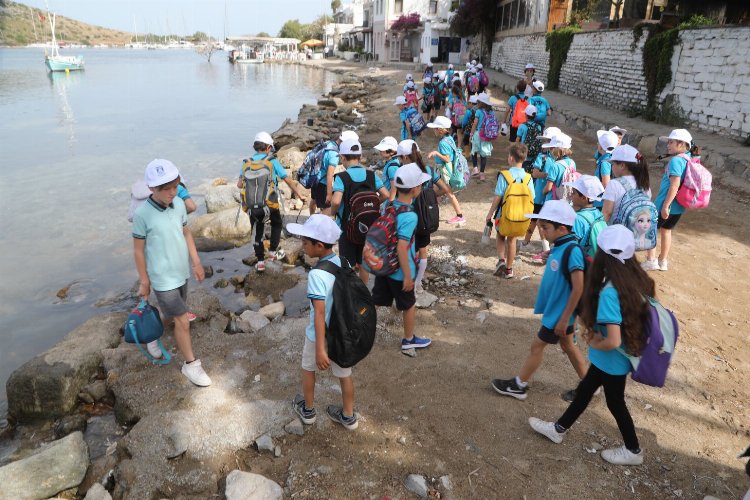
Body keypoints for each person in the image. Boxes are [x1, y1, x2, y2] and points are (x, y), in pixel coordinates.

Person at [528, 224, 650, 466]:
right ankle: (559, 428)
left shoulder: (609, 292)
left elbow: (613, 340)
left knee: (615, 402)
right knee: (585, 392)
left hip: (612, 360)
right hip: (614, 359)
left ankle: (633, 450)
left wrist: (595, 340)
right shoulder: (633, 278)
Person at [490, 200, 588, 400]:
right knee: (568, 346)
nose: (541, 232)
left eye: (545, 227)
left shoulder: (572, 251)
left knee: (537, 346)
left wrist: (565, 318)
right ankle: (589, 384)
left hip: (559, 315)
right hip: (558, 312)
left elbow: (578, 287)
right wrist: (551, 253)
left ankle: (519, 385)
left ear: (561, 228)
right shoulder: (561, 246)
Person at [132, 159, 211, 387]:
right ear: (151, 188)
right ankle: (191, 365)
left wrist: (196, 262)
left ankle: (153, 335)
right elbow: (138, 251)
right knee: (182, 320)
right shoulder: (142, 215)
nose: (171, 192)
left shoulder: (178, 205)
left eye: (174, 187)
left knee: (171, 315)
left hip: (181, 272)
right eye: (164, 189)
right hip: (161, 277)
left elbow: (186, 233)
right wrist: (145, 281)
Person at [288, 214, 360, 430]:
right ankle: (348, 415)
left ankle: (308, 410)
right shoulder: (342, 262)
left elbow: (319, 314)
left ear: (319, 245)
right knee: (344, 375)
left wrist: (320, 348)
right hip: (342, 334)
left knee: (308, 368)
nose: (303, 247)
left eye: (305, 243)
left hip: (319, 336)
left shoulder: (317, 274)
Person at [371, 163, 432, 351]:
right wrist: (407, 275)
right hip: (399, 272)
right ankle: (408, 340)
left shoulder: (389, 206)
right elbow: (402, 247)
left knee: (376, 301)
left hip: (384, 266)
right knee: (409, 305)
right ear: (415, 189)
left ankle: (361, 329)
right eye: (420, 185)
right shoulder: (410, 215)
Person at [237, 132, 308, 272]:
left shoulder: (246, 163)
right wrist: (298, 193)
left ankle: (260, 262)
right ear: (268, 147)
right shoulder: (272, 161)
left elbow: (239, 185)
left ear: (255, 146)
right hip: (269, 203)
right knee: (277, 224)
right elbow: (287, 179)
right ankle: (272, 253)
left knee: (257, 229)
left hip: (251, 204)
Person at [330, 138, 389, 284]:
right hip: (369, 227)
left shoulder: (341, 178)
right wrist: (374, 204)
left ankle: (350, 292)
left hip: (347, 228)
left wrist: (333, 212)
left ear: (342, 157)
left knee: (347, 263)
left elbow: (336, 201)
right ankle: (363, 291)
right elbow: (386, 195)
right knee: (363, 261)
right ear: (360, 156)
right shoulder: (371, 175)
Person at [642, 128, 698, 272]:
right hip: (680, 205)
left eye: (671, 142)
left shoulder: (676, 161)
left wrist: (665, 205)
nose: (668, 145)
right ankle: (662, 261)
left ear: (681, 144)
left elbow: (674, 185)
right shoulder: (689, 159)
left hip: (665, 204)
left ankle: (650, 261)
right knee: (667, 231)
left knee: (651, 229)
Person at [485, 143, 534, 279]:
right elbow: (532, 198)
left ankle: (501, 260)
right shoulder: (528, 178)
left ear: (511, 158)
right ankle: (509, 269)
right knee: (512, 240)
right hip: (520, 216)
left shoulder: (505, 176)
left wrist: (490, 214)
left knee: (500, 235)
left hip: (504, 214)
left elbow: (498, 197)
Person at [523, 126, 560, 253]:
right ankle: (527, 242)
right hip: (539, 194)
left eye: (546, 140)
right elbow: (534, 173)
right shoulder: (542, 156)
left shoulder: (558, 158)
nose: (544, 143)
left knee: (546, 221)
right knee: (535, 219)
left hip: (551, 195)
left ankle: (545, 246)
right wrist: (548, 176)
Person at [425, 117, 466, 225]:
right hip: (446, 171)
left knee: (442, 193)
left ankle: (459, 216)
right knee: (435, 192)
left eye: (435, 128)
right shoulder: (450, 138)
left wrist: (436, 153)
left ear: (440, 129)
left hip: (444, 172)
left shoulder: (443, 142)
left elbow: (447, 158)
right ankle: (432, 212)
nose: (434, 131)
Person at [308, 130, 358, 217]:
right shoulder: (334, 154)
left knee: (314, 200)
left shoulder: (329, 144)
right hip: (322, 183)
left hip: (315, 178)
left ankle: (311, 218)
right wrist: (329, 194)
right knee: (326, 208)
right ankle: (320, 225)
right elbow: (329, 174)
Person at [601, 144, 651, 223]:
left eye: (613, 164)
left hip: (618, 233)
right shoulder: (644, 185)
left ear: (622, 165)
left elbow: (607, 213)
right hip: (638, 233)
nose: (612, 167)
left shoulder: (614, 184)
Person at [567, 175, 606, 260]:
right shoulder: (598, 214)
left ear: (584, 197)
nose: (571, 195)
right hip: (597, 263)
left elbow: (571, 248)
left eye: (574, 193)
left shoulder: (577, 219)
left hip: (584, 266)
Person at [468, 92, 494, 181]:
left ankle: (475, 168)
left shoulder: (478, 111)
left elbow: (475, 124)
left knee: (474, 150)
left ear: (480, 102)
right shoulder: (491, 111)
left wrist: (471, 134)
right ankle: (482, 174)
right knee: (484, 155)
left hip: (478, 134)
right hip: (487, 135)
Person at [374, 136, 401, 204]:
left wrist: (390, 203)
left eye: (383, 149)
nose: (380, 151)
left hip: (390, 201)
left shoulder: (392, 167)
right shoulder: (390, 163)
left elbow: (394, 188)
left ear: (391, 152)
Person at [516, 104, 543, 171]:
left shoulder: (522, 126)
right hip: (535, 154)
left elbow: (518, 139)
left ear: (526, 115)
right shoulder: (539, 126)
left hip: (524, 152)